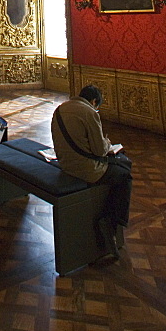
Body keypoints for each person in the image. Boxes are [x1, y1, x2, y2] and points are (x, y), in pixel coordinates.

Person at [51, 85, 132, 262]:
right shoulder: (89, 113)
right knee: (125, 174)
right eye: (97, 105)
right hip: (86, 169)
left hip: (65, 163)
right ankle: (112, 221)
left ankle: (110, 216)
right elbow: (99, 150)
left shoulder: (59, 109)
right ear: (94, 101)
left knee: (120, 169)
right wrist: (107, 142)